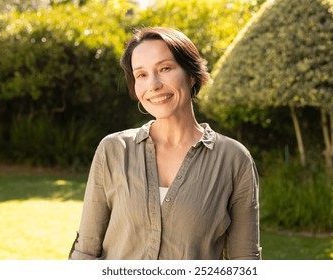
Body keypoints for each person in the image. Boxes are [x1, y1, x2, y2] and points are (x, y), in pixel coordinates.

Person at [68, 27, 261, 260]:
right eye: (141, 75)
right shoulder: (113, 150)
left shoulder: (233, 160)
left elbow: (245, 260)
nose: (154, 85)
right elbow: (86, 250)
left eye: (165, 68)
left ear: (192, 74)